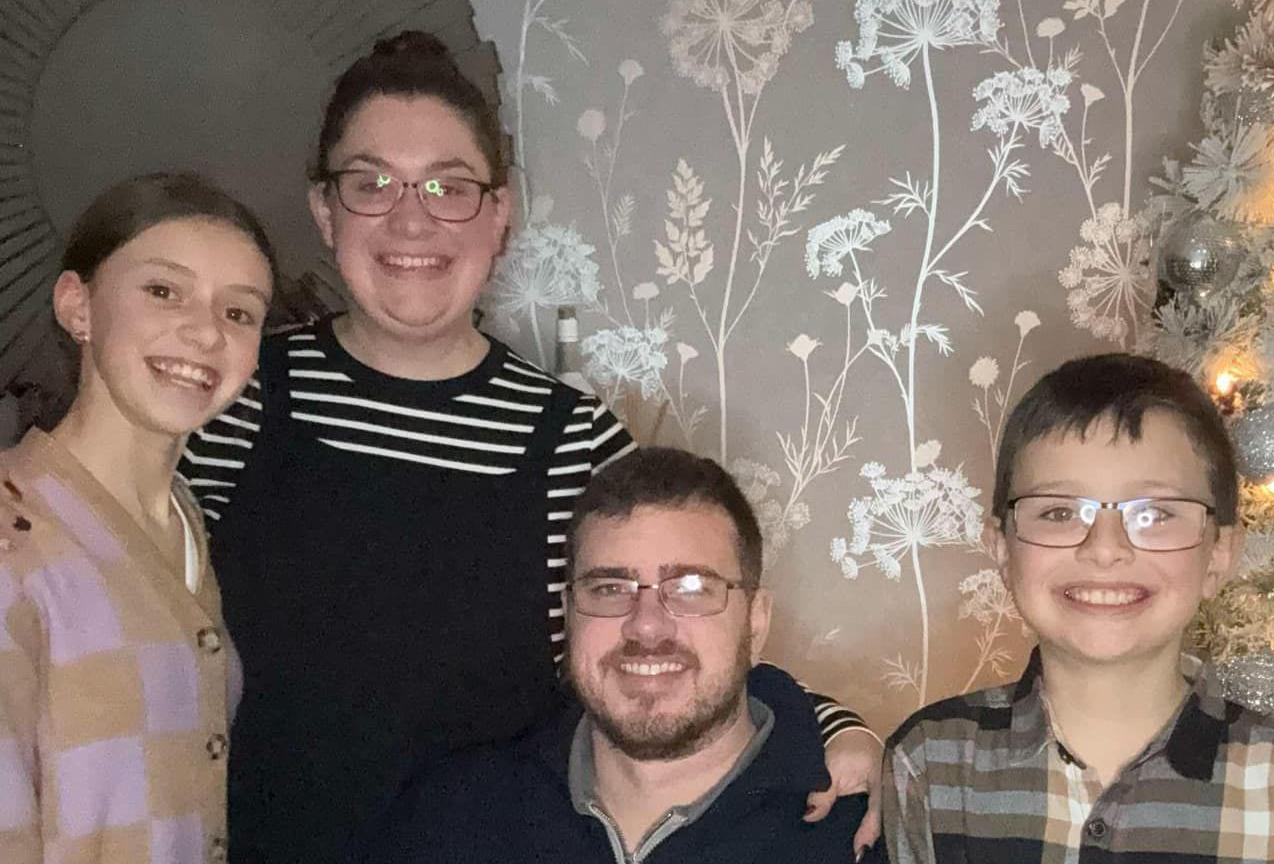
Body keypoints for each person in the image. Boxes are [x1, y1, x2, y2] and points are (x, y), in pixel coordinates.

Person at [177, 31, 880, 864]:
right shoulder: (238, 395)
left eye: (449, 186)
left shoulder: (572, 438)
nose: (412, 218)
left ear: (500, 215)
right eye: (372, 183)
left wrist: (831, 727)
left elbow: (667, 625)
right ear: (325, 210)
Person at [882, 353, 1274, 863]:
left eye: (1156, 514)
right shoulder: (930, 764)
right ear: (1003, 548)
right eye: (1059, 512)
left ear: (1219, 555)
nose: (1105, 548)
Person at [360, 448, 879, 863]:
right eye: (609, 589)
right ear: (568, 614)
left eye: (691, 587)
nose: (647, 625)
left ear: (756, 620)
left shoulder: (868, 833)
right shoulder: (449, 816)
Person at [0, 173, 275, 864]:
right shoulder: (14, 535)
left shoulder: (187, 520)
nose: (205, 331)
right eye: (163, 291)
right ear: (78, 306)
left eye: (239, 313)